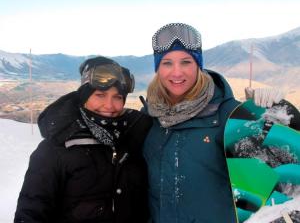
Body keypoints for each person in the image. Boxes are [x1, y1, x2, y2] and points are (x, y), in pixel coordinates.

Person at [141, 22, 285, 223]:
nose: (176, 72)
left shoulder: (230, 115)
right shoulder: (149, 117)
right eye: (167, 63)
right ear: (157, 68)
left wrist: (270, 115)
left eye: (186, 62)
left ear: (198, 65)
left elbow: (273, 179)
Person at [14, 56, 153, 223]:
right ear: (84, 96)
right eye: (100, 95)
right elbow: (31, 215)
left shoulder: (133, 137)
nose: (109, 105)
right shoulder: (55, 150)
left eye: (117, 97)